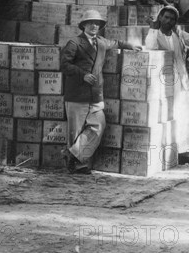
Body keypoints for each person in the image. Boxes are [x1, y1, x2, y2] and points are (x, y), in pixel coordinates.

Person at [61, 10, 142, 174]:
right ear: (83, 25)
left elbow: (116, 43)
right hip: (77, 95)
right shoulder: (74, 43)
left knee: (99, 125)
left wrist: (130, 45)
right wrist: (82, 75)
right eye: (90, 22)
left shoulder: (102, 42)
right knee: (75, 132)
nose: (94, 26)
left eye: (97, 23)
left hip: (96, 95)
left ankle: (71, 154)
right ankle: (78, 164)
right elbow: (64, 65)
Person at [145, 6, 189, 165]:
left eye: (172, 19)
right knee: (165, 116)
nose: (168, 21)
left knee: (183, 116)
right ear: (160, 17)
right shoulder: (154, 34)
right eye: (165, 17)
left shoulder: (179, 34)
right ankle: (167, 153)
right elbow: (150, 48)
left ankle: (184, 152)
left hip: (180, 80)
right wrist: (153, 29)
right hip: (162, 82)